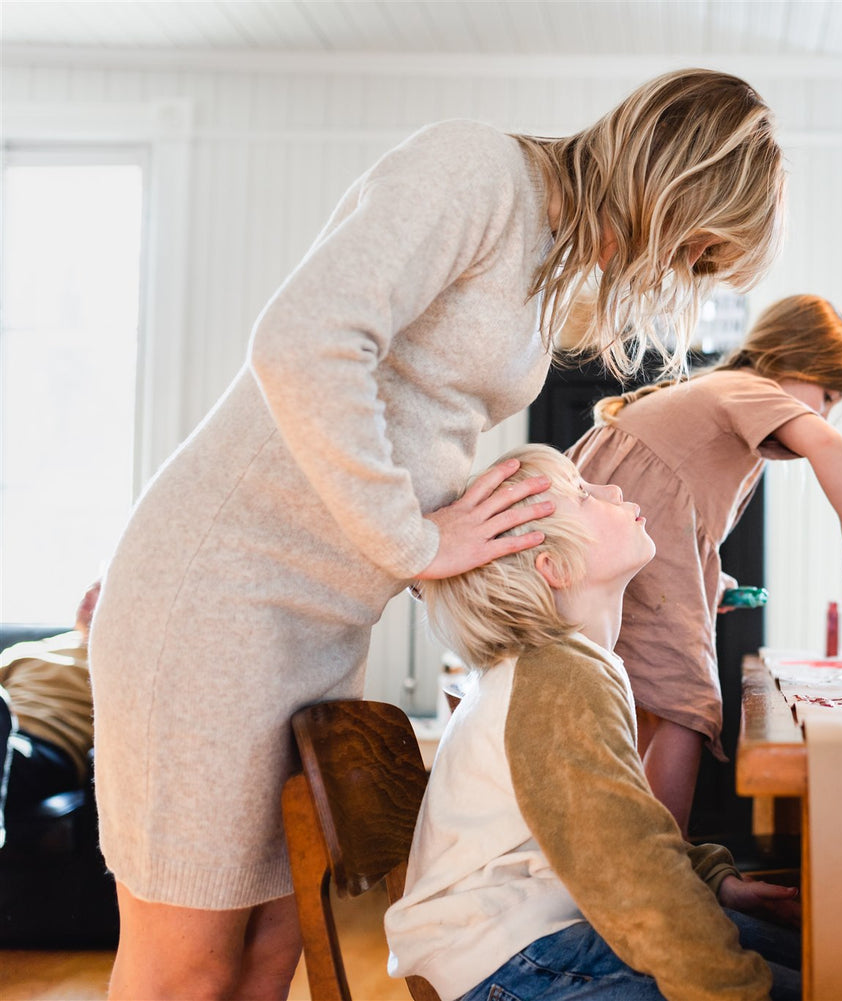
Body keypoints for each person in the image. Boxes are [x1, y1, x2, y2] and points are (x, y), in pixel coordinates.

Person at [87, 68, 787, 1000]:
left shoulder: (545, 269)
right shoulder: (478, 171)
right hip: (218, 592)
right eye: (695, 252)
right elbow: (302, 339)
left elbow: (416, 429)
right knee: (192, 962)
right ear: (672, 184)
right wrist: (417, 544)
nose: (677, 278)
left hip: (324, 618)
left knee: (269, 948)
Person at [387, 444, 801, 1001]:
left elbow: (625, 828)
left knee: (810, 958)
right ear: (555, 568)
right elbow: (626, 865)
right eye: (583, 494)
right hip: (514, 961)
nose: (611, 489)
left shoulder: (563, 666)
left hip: (537, 937)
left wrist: (714, 882)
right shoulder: (557, 677)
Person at [567, 294, 842, 832]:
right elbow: (829, 445)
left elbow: (678, 523)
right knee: (685, 704)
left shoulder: (718, 396)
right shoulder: (748, 389)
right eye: (827, 395)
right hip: (627, 538)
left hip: (609, 543)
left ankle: (625, 845)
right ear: (791, 361)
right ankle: (663, 865)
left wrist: (708, 580)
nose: (824, 413)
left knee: (646, 703)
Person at [0, 581, 100, 837]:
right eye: (88, 591)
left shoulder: (118, 657)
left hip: (47, 749)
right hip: (7, 729)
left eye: (100, 593)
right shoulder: (32, 649)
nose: (88, 597)